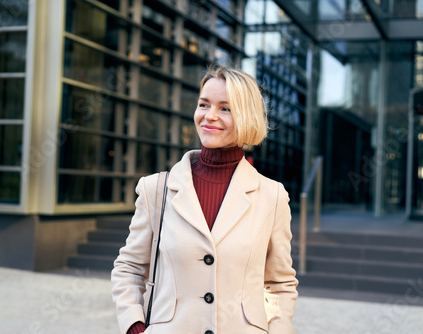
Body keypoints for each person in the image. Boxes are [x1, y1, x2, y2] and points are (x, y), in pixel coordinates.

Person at [111, 64, 298, 334]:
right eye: (203, 104)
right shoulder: (156, 189)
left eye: (225, 108)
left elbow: (280, 284)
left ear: (246, 116)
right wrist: (134, 325)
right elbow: (128, 268)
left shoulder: (273, 196)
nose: (210, 116)